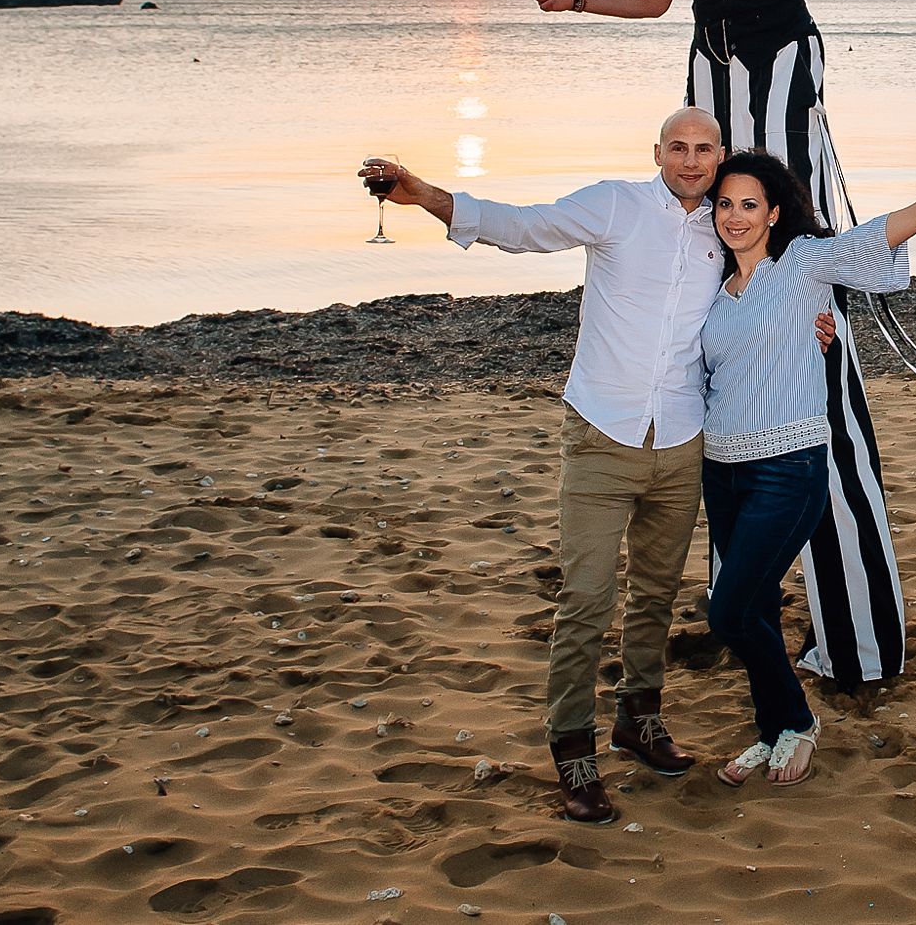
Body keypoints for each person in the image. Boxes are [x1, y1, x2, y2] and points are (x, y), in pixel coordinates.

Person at [508, 0, 916, 684]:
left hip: (785, 67)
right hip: (712, 74)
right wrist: (574, 1)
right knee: (720, 208)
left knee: (784, 209)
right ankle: (741, 619)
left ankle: (853, 637)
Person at [355, 109, 832, 825]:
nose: (692, 161)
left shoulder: (728, 225)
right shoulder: (615, 204)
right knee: (585, 598)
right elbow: (523, 226)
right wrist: (424, 194)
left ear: (720, 155)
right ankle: (571, 747)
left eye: (705, 149)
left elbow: (787, 283)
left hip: (682, 443)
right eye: (679, 147)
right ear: (659, 153)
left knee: (655, 596)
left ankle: (639, 720)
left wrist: (818, 329)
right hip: (602, 434)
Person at [698, 149, 916, 786]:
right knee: (755, 608)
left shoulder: (801, 265)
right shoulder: (714, 291)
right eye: (725, 204)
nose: (735, 217)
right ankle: (770, 729)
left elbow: (867, 238)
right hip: (723, 470)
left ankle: (796, 722)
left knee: (728, 611)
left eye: (749, 204)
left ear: (774, 212)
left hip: (787, 465)